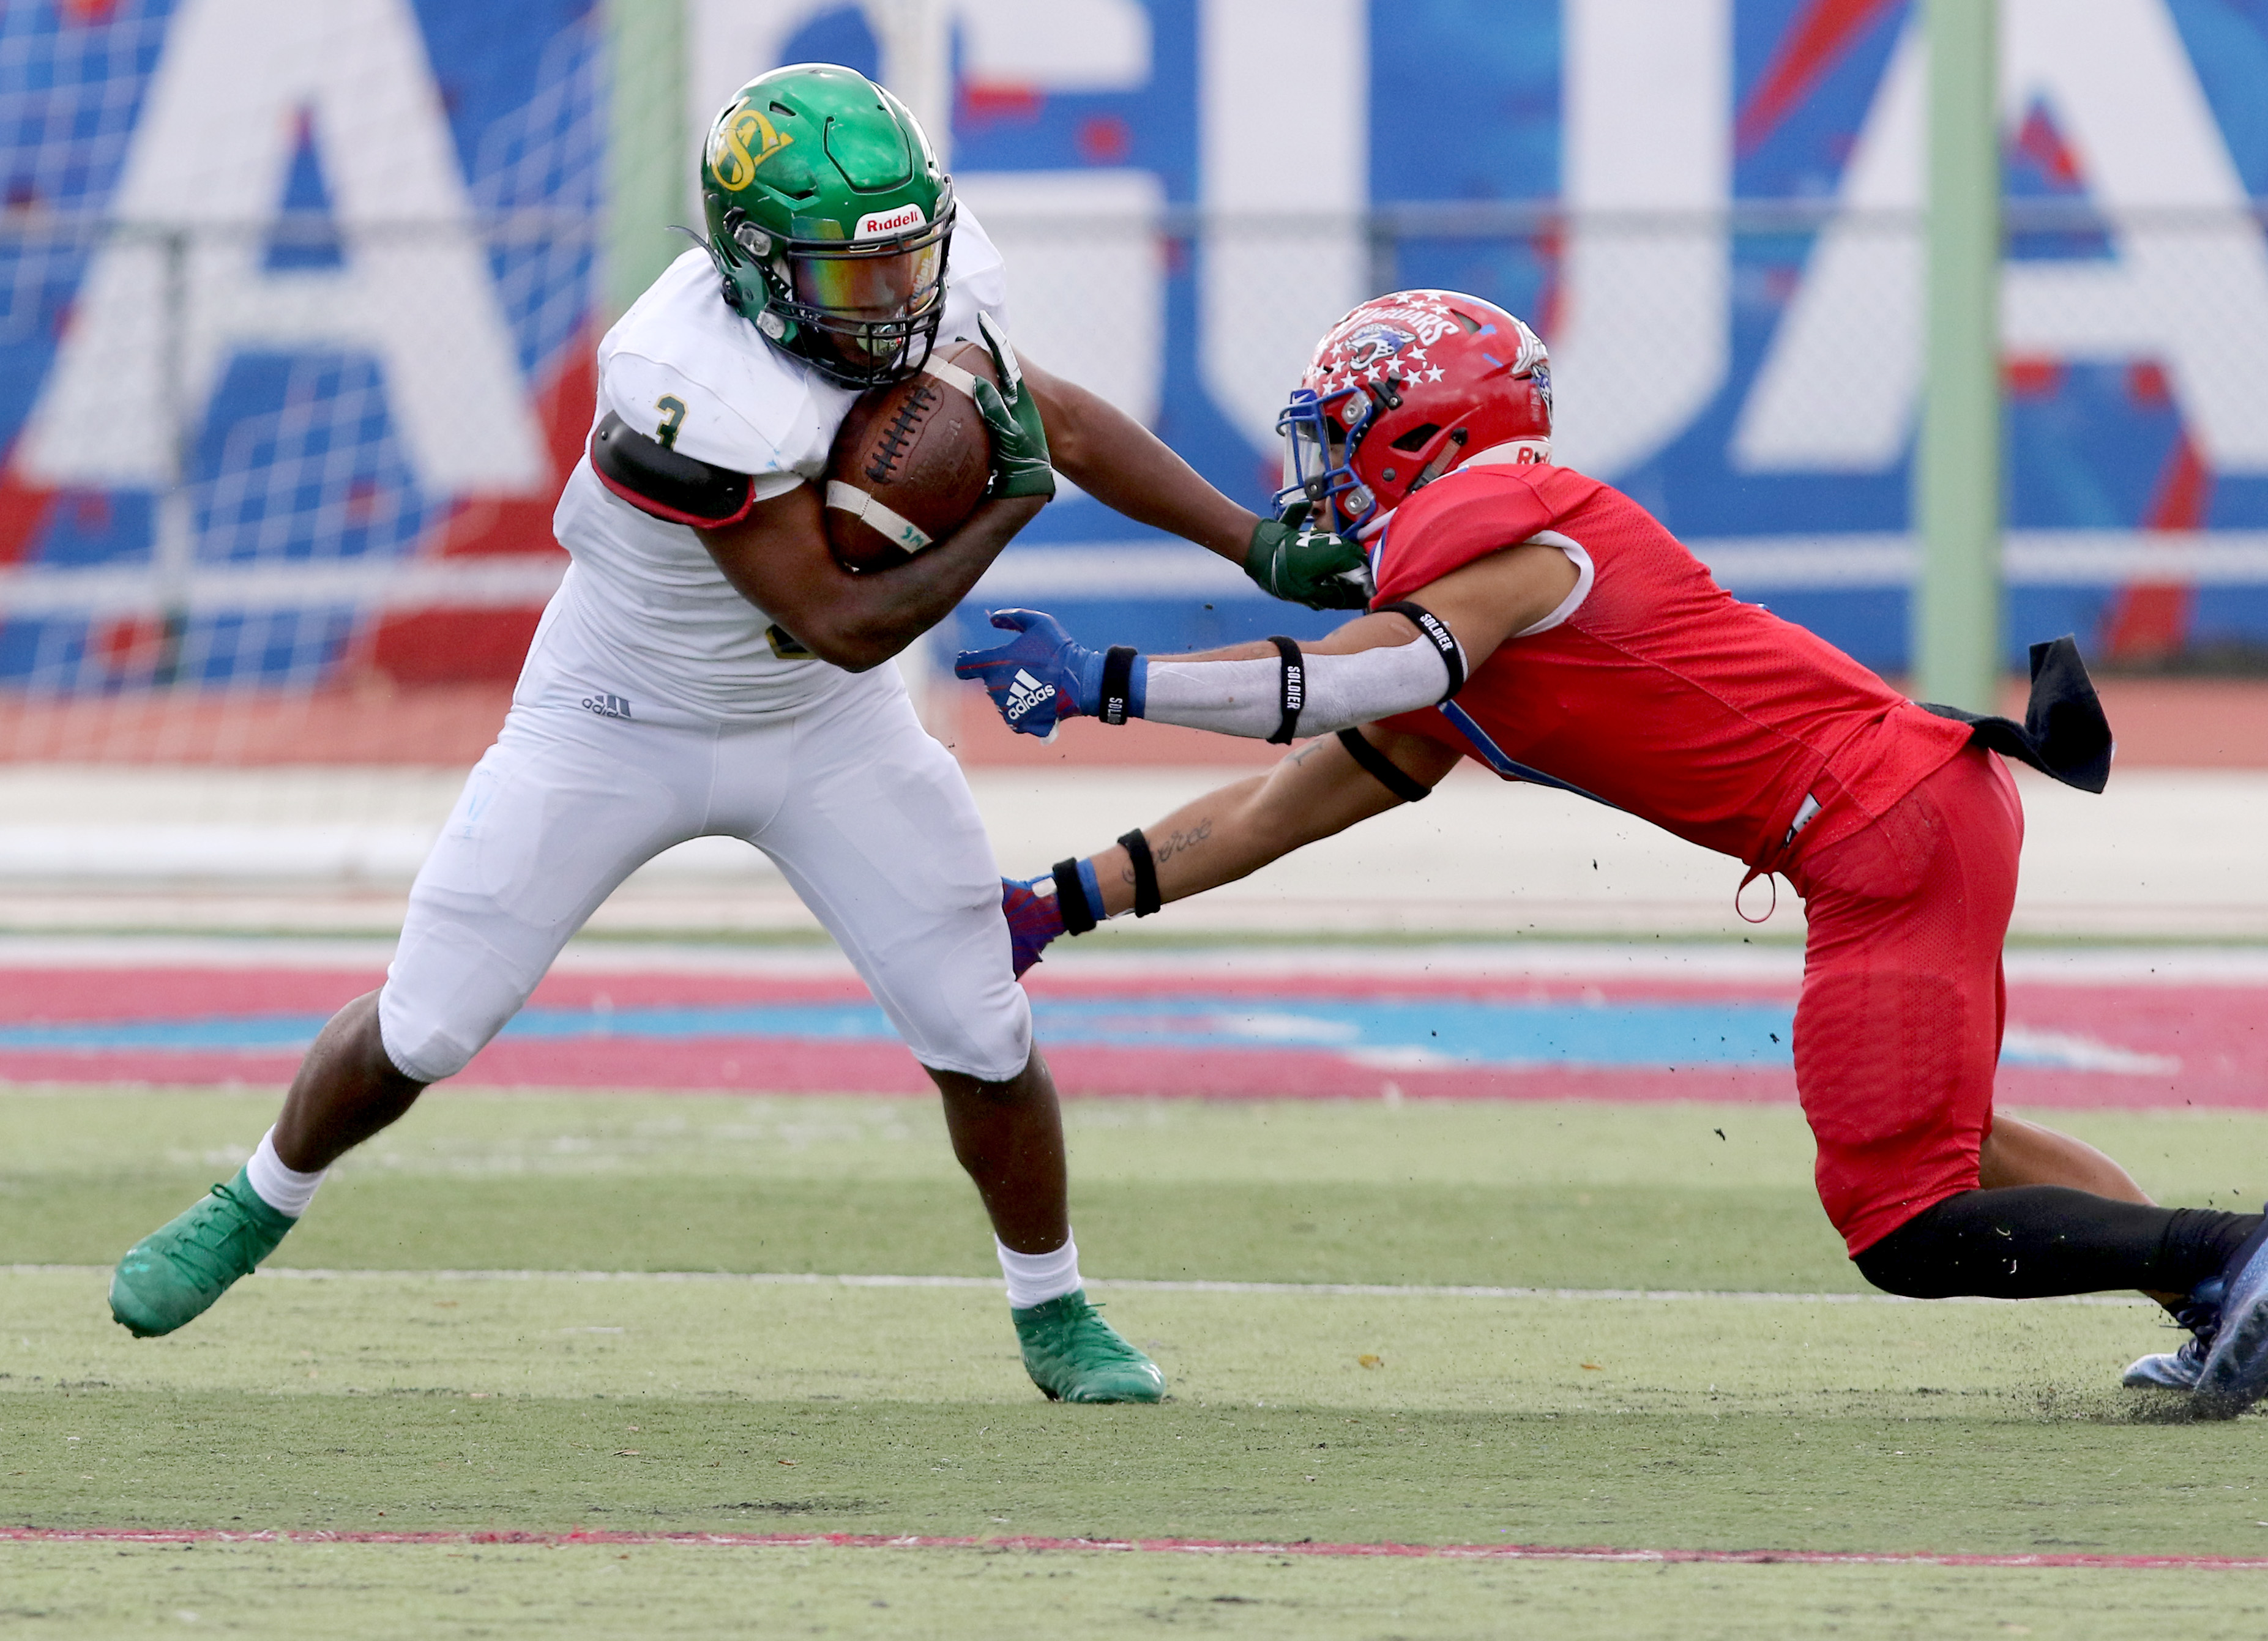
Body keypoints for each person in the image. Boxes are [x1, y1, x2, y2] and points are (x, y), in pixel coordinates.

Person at [106, 64, 1369, 1406]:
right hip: (619, 711)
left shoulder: (920, 275)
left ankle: (1053, 1312)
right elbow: (838, 618)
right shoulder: (674, 380)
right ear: (757, 270)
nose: (895, 307)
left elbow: (1047, 415)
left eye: (906, 269)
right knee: (429, 1023)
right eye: (851, 279)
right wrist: (1006, 508)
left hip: (822, 732)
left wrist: (1253, 541)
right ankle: (260, 1196)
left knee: (978, 1023)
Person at [956, 286, 2268, 1416]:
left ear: (1422, 431)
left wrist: (1103, 683)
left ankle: (2237, 1254)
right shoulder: (1464, 619)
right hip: (1904, 809)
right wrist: (1059, 901)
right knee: (1949, 1141)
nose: (1321, 481)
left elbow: (1344, 681)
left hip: (1882, 823)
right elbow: (1276, 809)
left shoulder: (1501, 531)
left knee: (1900, 1219)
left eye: (1342, 444)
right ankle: (2217, 1294)